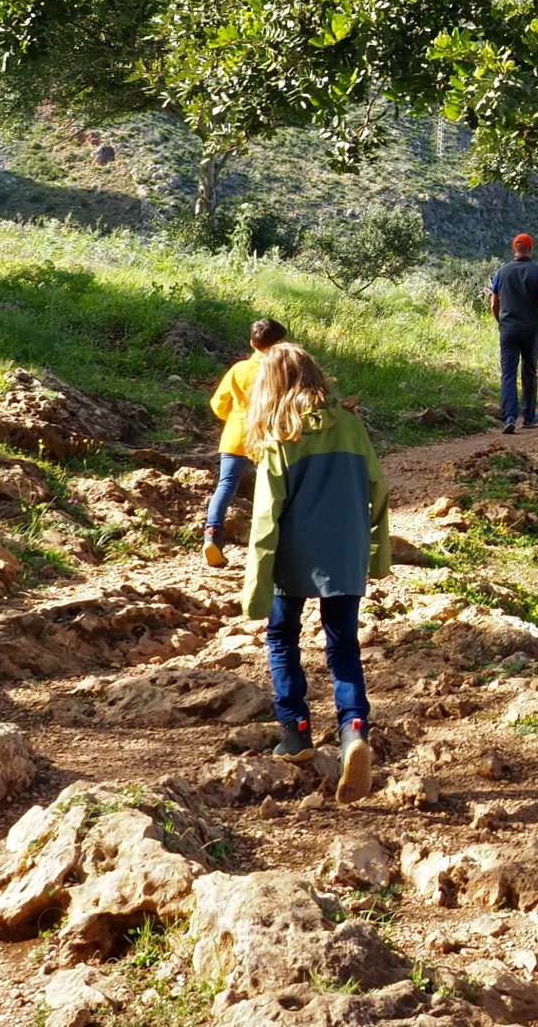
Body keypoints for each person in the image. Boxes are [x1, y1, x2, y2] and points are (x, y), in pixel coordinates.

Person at [239, 341, 391, 800]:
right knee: (343, 645)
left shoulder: (280, 436)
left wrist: (256, 586)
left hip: (293, 558)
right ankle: (354, 731)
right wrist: (375, 553)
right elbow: (378, 487)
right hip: (344, 554)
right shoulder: (349, 424)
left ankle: (296, 732)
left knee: (282, 637)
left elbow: (267, 517)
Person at [201, 317, 287, 569]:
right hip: (269, 438)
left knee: (226, 485)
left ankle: (212, 535)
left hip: (236, 436)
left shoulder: (239, 369)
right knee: (271, 489)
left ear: (252, 342)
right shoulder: (280, 370)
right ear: (280, 343)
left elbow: (218, 405)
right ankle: (270, 542)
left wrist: (237, 417)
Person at [490, 231, 538, 434]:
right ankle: (529, 417)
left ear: (513, 250)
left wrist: (502, 322)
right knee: (529, 372)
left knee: (508, 373)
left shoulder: (501, 272)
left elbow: (493, 304)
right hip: (531, 330)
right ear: (531, 250)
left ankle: (509, 416)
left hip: (508, 330)